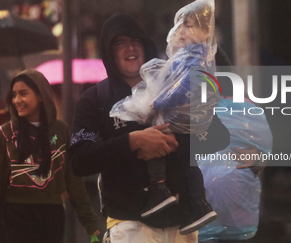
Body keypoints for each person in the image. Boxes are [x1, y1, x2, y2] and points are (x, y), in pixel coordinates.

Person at [69, 12, 229, 243]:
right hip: (130, 226)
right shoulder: (95, 99)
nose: (130, 48)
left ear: (145, 45)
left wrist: (173, 142)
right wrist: (132, 142)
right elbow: (79, 160)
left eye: (135, 40)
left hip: (183, 227)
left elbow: (217, 136)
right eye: (120, 43)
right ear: (108, 51)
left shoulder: (176, 89)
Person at [109, 0, 228, 236]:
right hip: (130, 218)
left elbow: (183, 87)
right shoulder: (188, 56)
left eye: (189, 26)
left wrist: (156, 102)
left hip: (179, 124)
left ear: (205, 32)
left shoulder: (194, 57)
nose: (182, 31)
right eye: (180, 25)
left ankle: (163, 192)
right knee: (185, 163)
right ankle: (193, 203)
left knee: (163, 155)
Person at [0, 69, 100, 243]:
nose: (17, 100)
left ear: (40, 96)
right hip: (16, 212)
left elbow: (72, 178)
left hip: (52, 212)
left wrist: (90, 222)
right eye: (14, 95)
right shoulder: (5, 133)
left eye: (23, 94)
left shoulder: (60, 130)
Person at [198, 48, 272, 243]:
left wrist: (257, 158)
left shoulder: (241, 107)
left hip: (217, 216)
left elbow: (261, 151)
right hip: (217, 216)